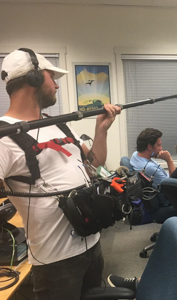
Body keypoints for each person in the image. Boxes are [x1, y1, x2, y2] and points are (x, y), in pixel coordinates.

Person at [0, 49, 121, 299]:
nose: (56, 84)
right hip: (56, 260)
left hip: (92, 243)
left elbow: (95, 163)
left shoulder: (55, 123)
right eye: (50, 77)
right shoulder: (4, 136)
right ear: (33, 78)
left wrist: (102, 130)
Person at [130, 128, 176, 207]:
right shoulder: (150, 168)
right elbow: (174, 186)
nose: (161, 148)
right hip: (166, 201)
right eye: (159, 145)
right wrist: (169, 161)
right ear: (149, 147)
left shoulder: (135, 155)